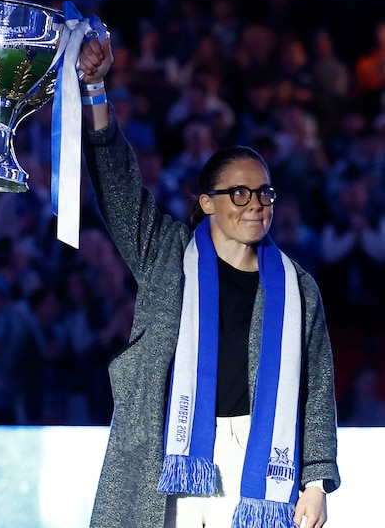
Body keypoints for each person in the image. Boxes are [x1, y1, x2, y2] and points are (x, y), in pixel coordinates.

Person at [77, 34, 340, 527]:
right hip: (167, 450)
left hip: (260, 459)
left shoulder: (298, 287)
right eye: (239, 192)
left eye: (264, 192)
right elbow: (118, 185)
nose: (255, 203)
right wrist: (95, 92)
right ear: (207, 203)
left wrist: (316, 480)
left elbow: (317, 388)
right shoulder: (166, 255)